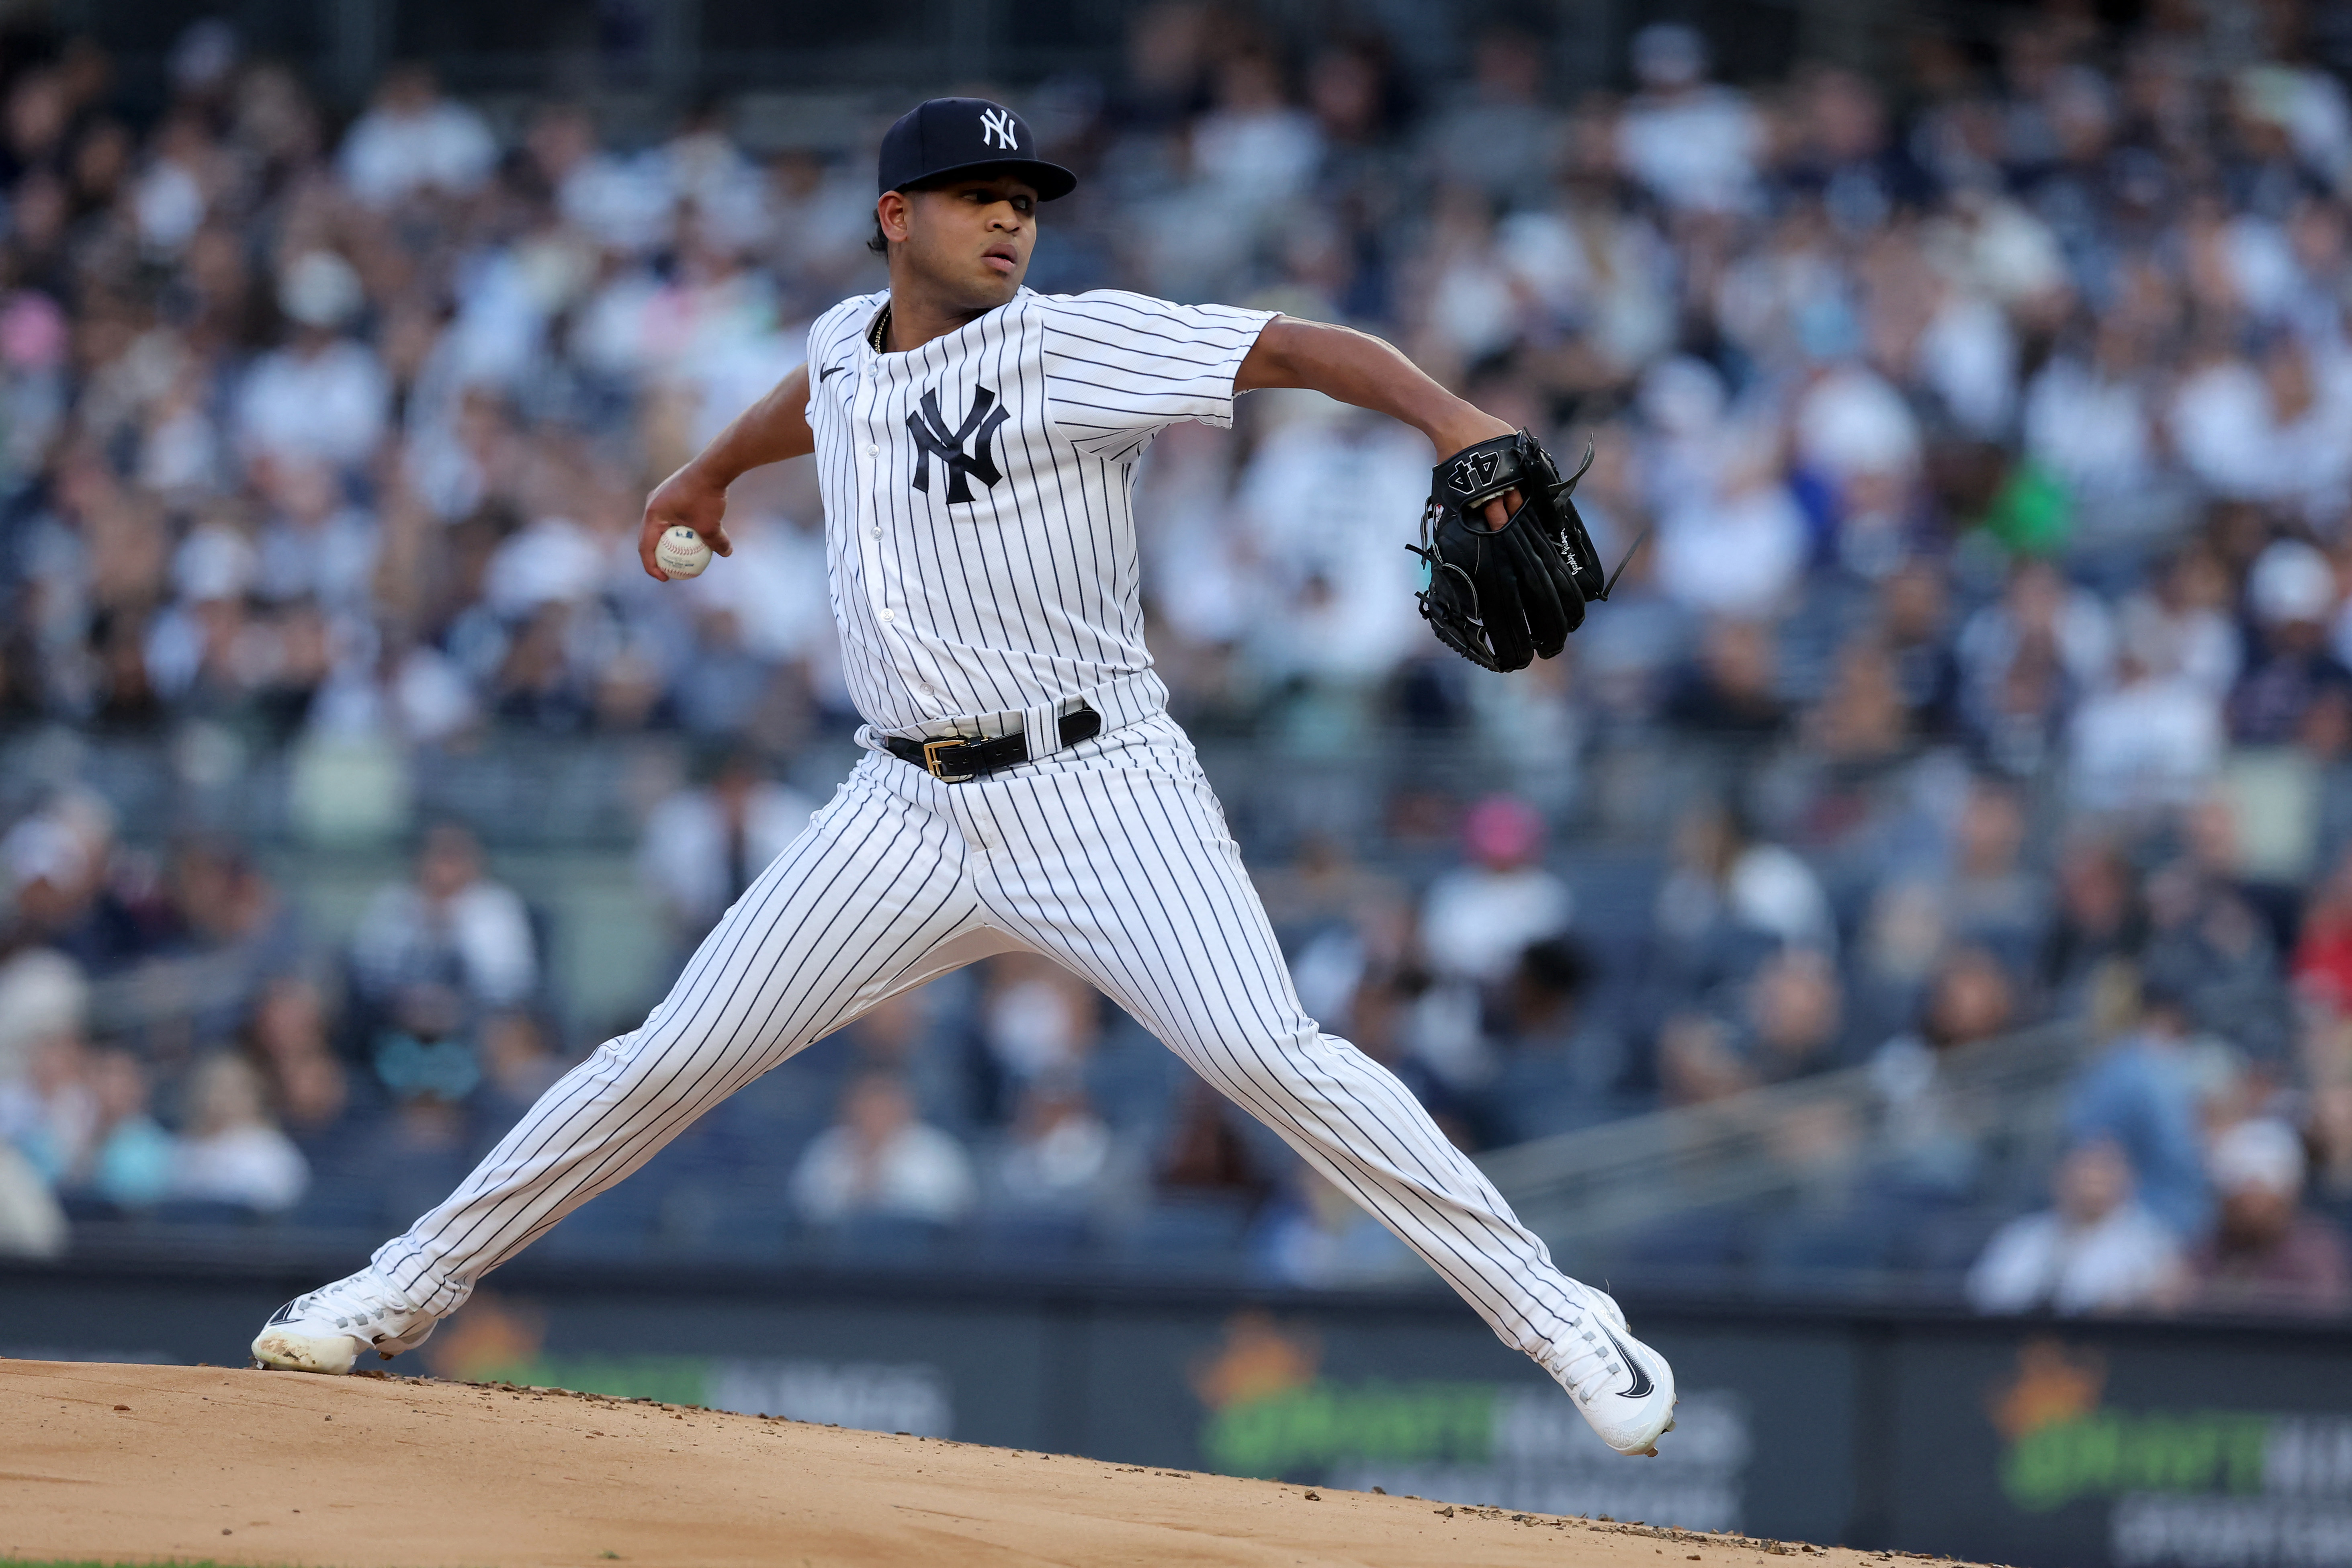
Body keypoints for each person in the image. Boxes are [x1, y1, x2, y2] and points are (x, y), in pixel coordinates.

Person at [250, 96, 1677, 1460]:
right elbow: (813, 398)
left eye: (1024, 201)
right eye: (976, 198)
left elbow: (1294, 347)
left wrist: (1450, 420)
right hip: (901, 809)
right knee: (669, 1054)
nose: (1009, 220)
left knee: (1268, 1055)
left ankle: (1567, 1320)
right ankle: (394, 1288)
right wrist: (699, 477)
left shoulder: (1074, 346)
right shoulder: (843, 346)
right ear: (894, 216)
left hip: (1098, 785)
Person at [1966, 1137, 2184, 1315]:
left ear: (2126, 1181)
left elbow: (2164, 1303)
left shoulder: (2150, 1245)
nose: (2090, 1182)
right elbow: (1985, 1295)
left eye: (2102, 1172)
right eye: (2082, 1170)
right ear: (2059, 1178)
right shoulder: (2023, 1235)